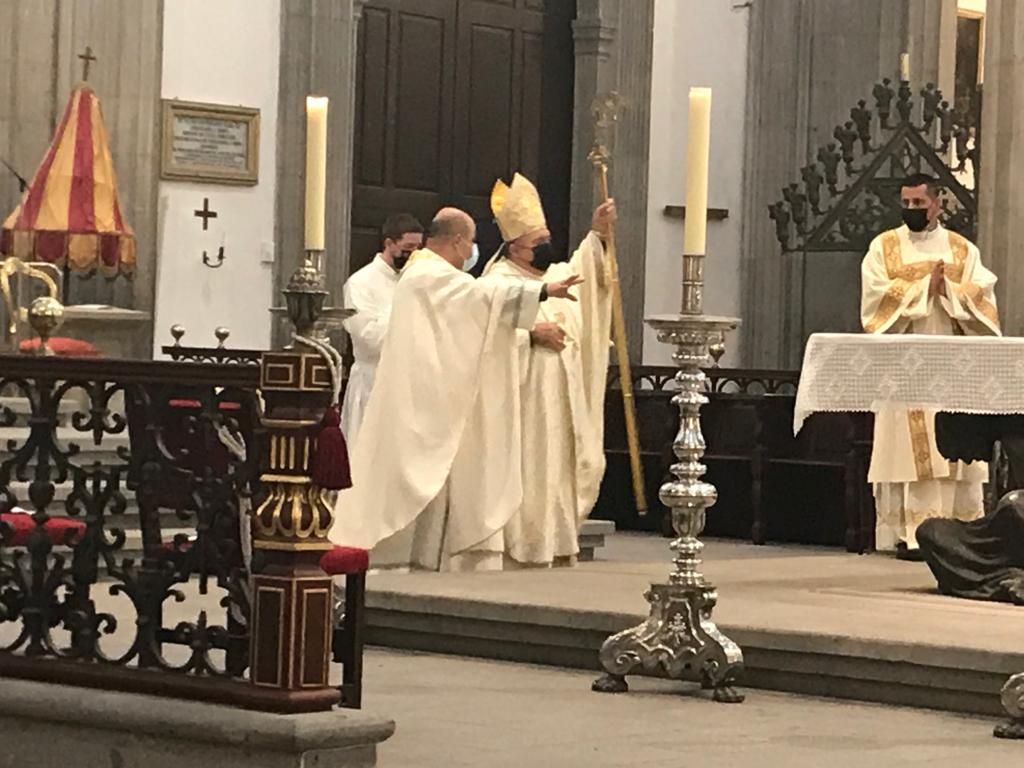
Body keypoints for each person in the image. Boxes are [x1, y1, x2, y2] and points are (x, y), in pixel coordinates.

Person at [329, 207, 584, 571]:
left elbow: (471, 309)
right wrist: (542, 290)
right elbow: (479, 298)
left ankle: (427, 552)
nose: (473, 252)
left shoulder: (429, 273)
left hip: (432, 390)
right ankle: (396, 553)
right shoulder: (428, 274)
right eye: (472, 243)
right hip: (415, 395)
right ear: (459, 241)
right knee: (412, 473)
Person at [861, 173, 1000, 560]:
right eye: (906, 204)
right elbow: (874, 297)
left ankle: (958, 531)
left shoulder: (961, 250)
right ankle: (908, 534)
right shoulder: (884, 247)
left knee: (951, 451)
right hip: (902, 364)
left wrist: (950, 291)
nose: (911, 211)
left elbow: (983, 294)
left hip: (949, 363)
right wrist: (924, 288)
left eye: (919, 204)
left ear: (937, 204)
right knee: (906, 452)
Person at [484, 172, 615, 566]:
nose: (546, 246)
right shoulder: (496, 283)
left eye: (546, 239)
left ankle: (556, 541)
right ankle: (519, 545)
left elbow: (589, 270)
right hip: (521, 402)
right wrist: (529, 334)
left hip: (561, 400)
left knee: (557, 468)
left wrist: (599, 234)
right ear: (514, 247)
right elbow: (482, 336)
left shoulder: (557, 277)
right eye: (537, 243)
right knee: (529, 468)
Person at [340, 213, 423, 446]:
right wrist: (405, 300)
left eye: (419, 248)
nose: (414, 256)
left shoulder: (416, 279)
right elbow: (369, 338)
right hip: (371, 382)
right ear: (389, 244)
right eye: (408, 248)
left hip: (409, 386)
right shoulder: (361, 283)